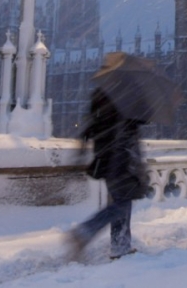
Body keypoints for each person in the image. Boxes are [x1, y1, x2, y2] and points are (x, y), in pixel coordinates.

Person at [66, 86, 150, 261]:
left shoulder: (101, 103)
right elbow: (141, 119)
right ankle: (85, 231)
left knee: (120, 202)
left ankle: (120, 247)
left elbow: (88, 131)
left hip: (104, 162)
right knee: (122, 204)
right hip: (122, 161)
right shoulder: (124, 104)